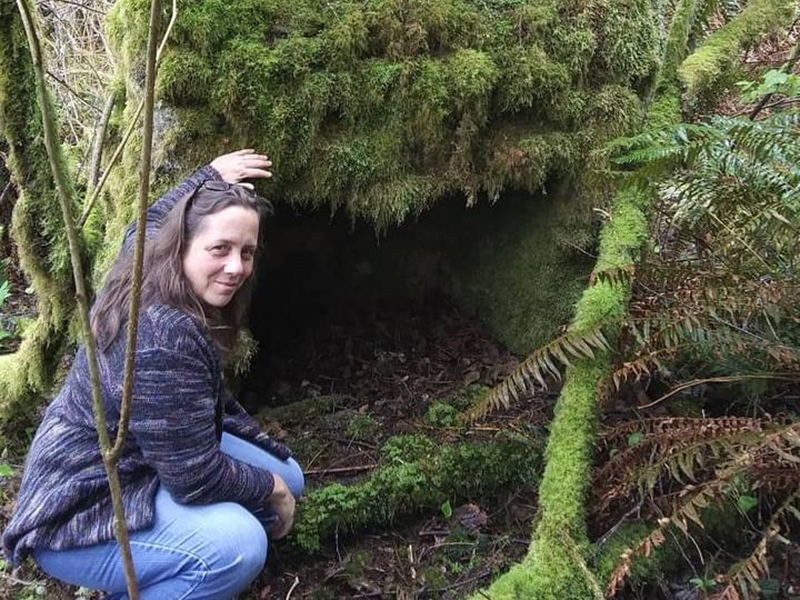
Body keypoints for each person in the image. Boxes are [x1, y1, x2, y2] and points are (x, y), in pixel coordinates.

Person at [2, 150, 304, 599]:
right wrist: (270, 490)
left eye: (247, 252)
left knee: (290, 474)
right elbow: (194, 477)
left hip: (140, 456)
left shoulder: (144, 264)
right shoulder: (163, 335)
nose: (236, 267)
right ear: (181, 244)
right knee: (240, 545)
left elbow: (139, 227)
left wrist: (207, 177)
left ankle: (165, 562)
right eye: (219, 249)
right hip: (80, 505)